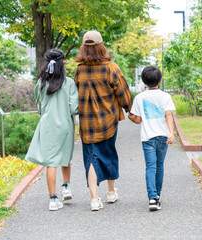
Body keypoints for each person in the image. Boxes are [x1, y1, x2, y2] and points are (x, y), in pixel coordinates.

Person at [74, 30, 133, 211]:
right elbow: (123, 93)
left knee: (91, 158)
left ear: (84, 48)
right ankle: (110, 191)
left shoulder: (79, 71)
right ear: (101, 46)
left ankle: (94, 198)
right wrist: (130, 109)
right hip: (108, 121)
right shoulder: (111, 68)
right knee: (108, 154)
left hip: (87, 123)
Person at [25, 48, 78, 211]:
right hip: (65, 125)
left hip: (48, 126)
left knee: (51, 163)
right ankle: (66, 187)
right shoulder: (68, 83)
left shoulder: (41, 83)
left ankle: (53, 200)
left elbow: (40, 107)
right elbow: (74, 108)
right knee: (65, 156)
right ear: (63, 63)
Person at [128, 65, 175, 211]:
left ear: (143, 81)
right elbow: (168, 114)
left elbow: (138, 119)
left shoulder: (140, 97)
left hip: (148, 137)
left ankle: (152, 198)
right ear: (160, 80)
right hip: (163, 137)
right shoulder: (165, 96)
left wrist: (130, 116)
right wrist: (171, 133)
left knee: (150, 166)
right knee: (160, 165)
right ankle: (158, 195)